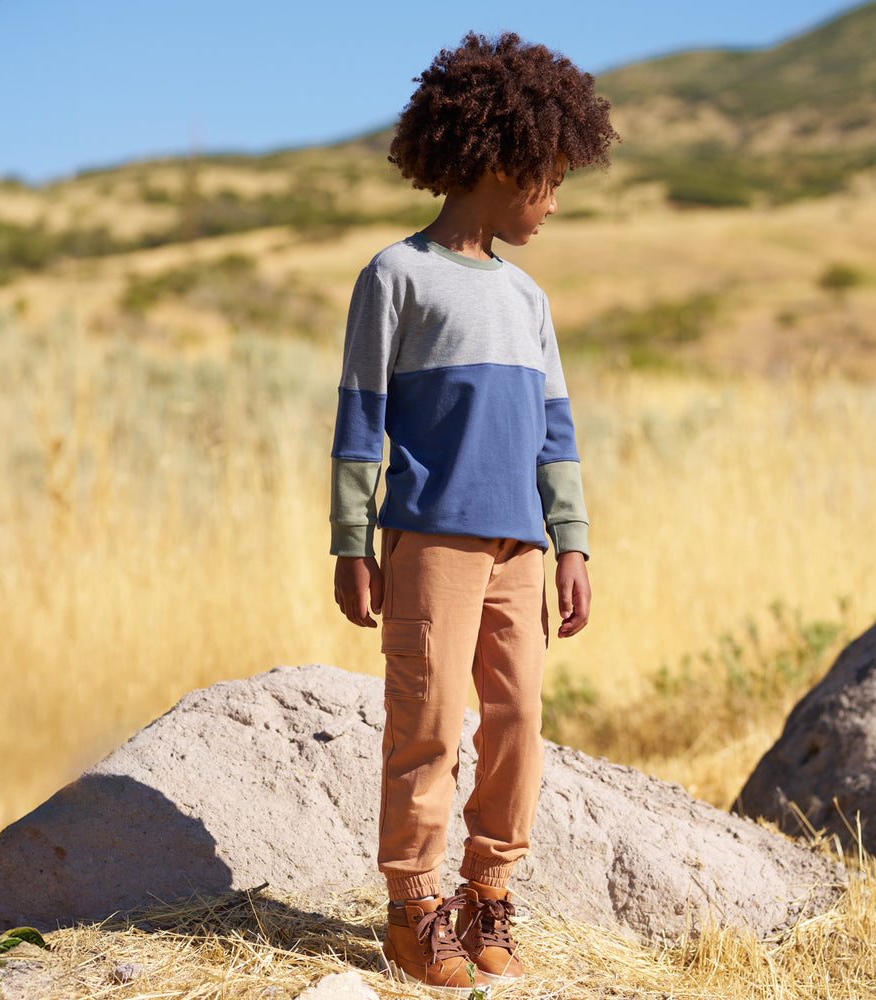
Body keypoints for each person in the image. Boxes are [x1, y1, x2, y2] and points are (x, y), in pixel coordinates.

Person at [330, 30, 618, 995]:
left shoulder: (530, 298)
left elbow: (555, 429)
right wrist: (352, 543)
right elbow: (360, 422)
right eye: (547, 180)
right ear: (501, 161)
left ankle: (489, 891)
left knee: (519, 717)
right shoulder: (395, 278)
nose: (551, 201)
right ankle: (414, 910)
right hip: (430, 542)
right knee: (428, 722)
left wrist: (570, 542)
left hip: (518, 549)